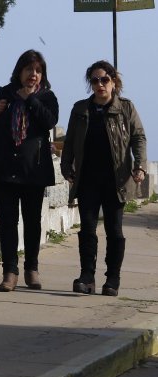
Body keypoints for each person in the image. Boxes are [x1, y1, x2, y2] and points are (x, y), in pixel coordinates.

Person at [61, 60, 147, 296]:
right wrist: (66, 166)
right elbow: (69, 142)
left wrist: (140, 166)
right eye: (95, 81)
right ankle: (87, 276)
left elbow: (138, 138)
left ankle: (112, 279)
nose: (100, 85)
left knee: (114, 231)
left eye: (104, 80)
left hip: (115, 181)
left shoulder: (125, 108)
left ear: (114, 82)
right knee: (87, 228)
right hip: (87, 179)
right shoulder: (80, 109)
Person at [0, 50, 59, 291]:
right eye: (28, 70)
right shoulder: (2, 95)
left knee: (33, 222)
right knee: (8, 221)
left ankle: (31, 269)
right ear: (19, 71)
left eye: (37, 71)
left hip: (34, 171)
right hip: (3, 170)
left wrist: (30, 100)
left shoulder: (46, 97)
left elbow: (49, 122)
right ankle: (9, 271)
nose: (33, 75)